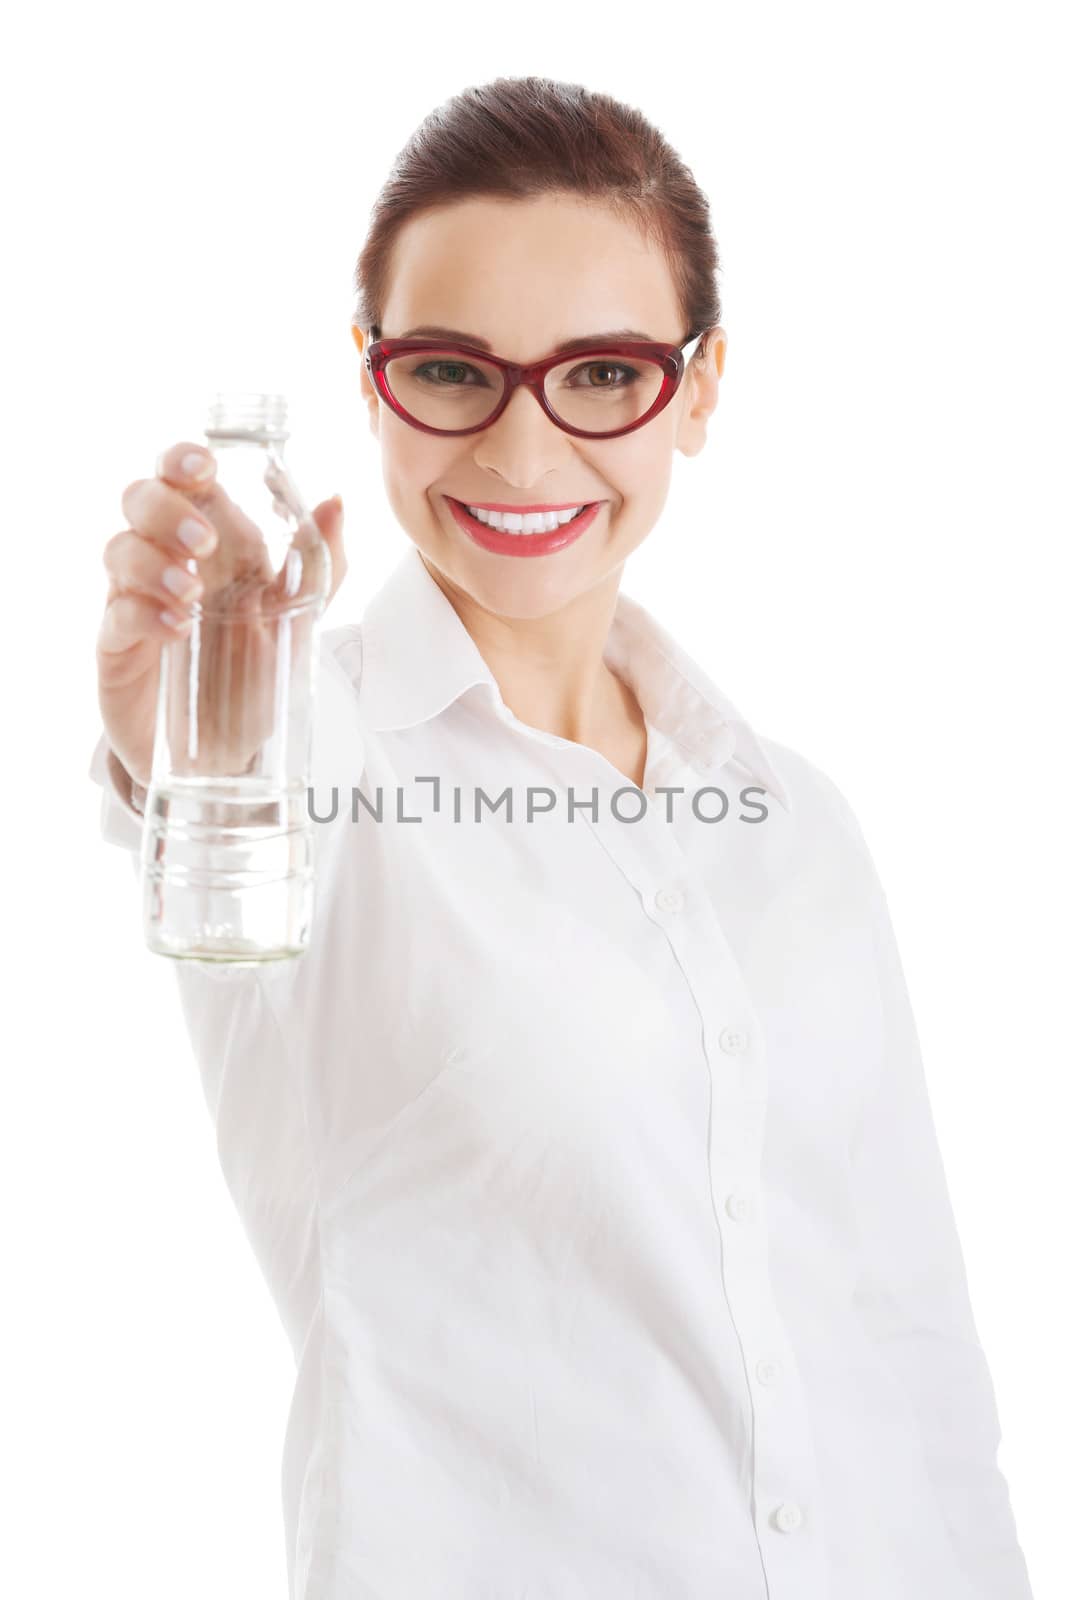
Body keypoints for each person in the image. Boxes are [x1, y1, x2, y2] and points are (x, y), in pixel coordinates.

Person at [88, 75, 1034, 1600]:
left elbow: (911, 1343)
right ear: (374, 378)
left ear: (702, 386)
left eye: (601, 375)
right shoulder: (304, 754)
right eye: (454, 371)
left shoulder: (797, 825)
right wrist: (184, 740)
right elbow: (206, 809)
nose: (525, 455)